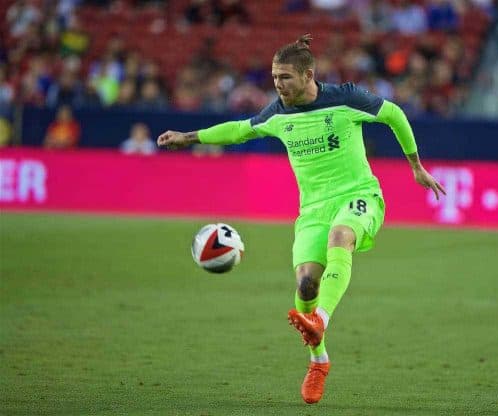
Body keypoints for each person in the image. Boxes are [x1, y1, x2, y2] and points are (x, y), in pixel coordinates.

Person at [157, 34, 445, 405]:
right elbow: (240, 130)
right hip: (312, 210)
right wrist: (190, 137)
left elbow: (393, 114)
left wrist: (415, 165)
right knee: (306, 284)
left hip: (359, 196)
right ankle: (318, 360)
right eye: (275, 78)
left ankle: (321, 319)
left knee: (341, 237)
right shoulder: (278, 112)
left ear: (308, 75)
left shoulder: (345, 99)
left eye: (285, 78)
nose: (278, 85)